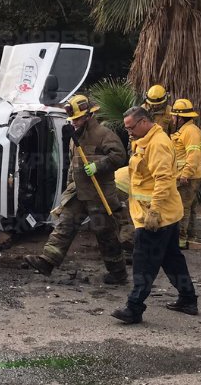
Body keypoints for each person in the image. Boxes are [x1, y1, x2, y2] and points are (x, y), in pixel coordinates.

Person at [24, 95, 129, 284]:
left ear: (89, 116)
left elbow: (119, 156)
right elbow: (73, 166)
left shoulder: (104, 134)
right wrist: (69, 185)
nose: (74, 123)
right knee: (64, 226)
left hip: (99, 194)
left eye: (78, 119)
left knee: (105, 234)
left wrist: (98, 165)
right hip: (78, 192)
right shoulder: (74, 137)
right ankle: (47, 262)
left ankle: (118, 273)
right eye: (73, 120)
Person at [111, 106, 197, 324]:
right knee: (172, 260)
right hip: (163, 214)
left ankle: (134, 308)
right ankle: (188, 299)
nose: (128, 131)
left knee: (143, 262)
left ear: (143, 122)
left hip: (156, 217)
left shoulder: (157, 144)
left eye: (130, 127)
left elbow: (164, 180)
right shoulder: (145, 140)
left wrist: (155, 211)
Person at [169, 99, 201, 250]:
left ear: (180, 118)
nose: (172, 119)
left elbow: (194, 154)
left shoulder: (190, 131)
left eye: (174, 116)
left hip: (187, 177)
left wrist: (186, 174)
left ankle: (180, 240)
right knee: (189, 207)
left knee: (182, 208)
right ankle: (190, 236)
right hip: (187, 176)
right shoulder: (185, 130)